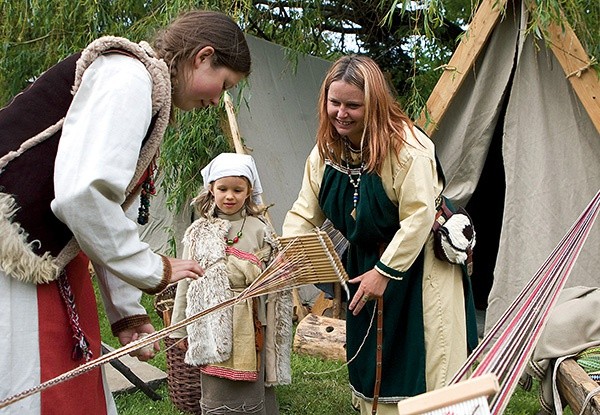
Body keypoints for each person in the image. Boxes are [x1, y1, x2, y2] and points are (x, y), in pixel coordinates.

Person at [0, 10, 251, 415]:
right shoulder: (129, 76)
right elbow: (83, 197)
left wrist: (128, 313)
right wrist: (153, 268)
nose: (217, 100)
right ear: (203, 57)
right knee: (26, 390)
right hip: (13, 249)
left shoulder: (145, 88)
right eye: (225, 84)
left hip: (41, 252)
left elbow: (104, 215)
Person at [282, 55, 478, 414]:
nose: (341, 113)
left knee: (425, 358)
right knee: (374, 355)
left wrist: (385, 272)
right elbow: (303, 211)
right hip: (365, 263)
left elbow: (419, 216)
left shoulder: (408, 148)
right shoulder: (326, 151)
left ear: (373, 104)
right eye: (334, 102)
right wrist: (294, 253)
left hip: (419, 266)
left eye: (353, 105)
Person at [169, 152, 292, 414]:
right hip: (212, 319)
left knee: (253, 387)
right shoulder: (199, 232)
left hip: (253, 319)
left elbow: (274, 276)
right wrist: (179, 328)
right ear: (211, 189)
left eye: (238, 189)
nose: (229, 196)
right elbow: (186, 282)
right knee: (217, 383)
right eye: (222, 189)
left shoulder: (260, 229)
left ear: (249, 191)